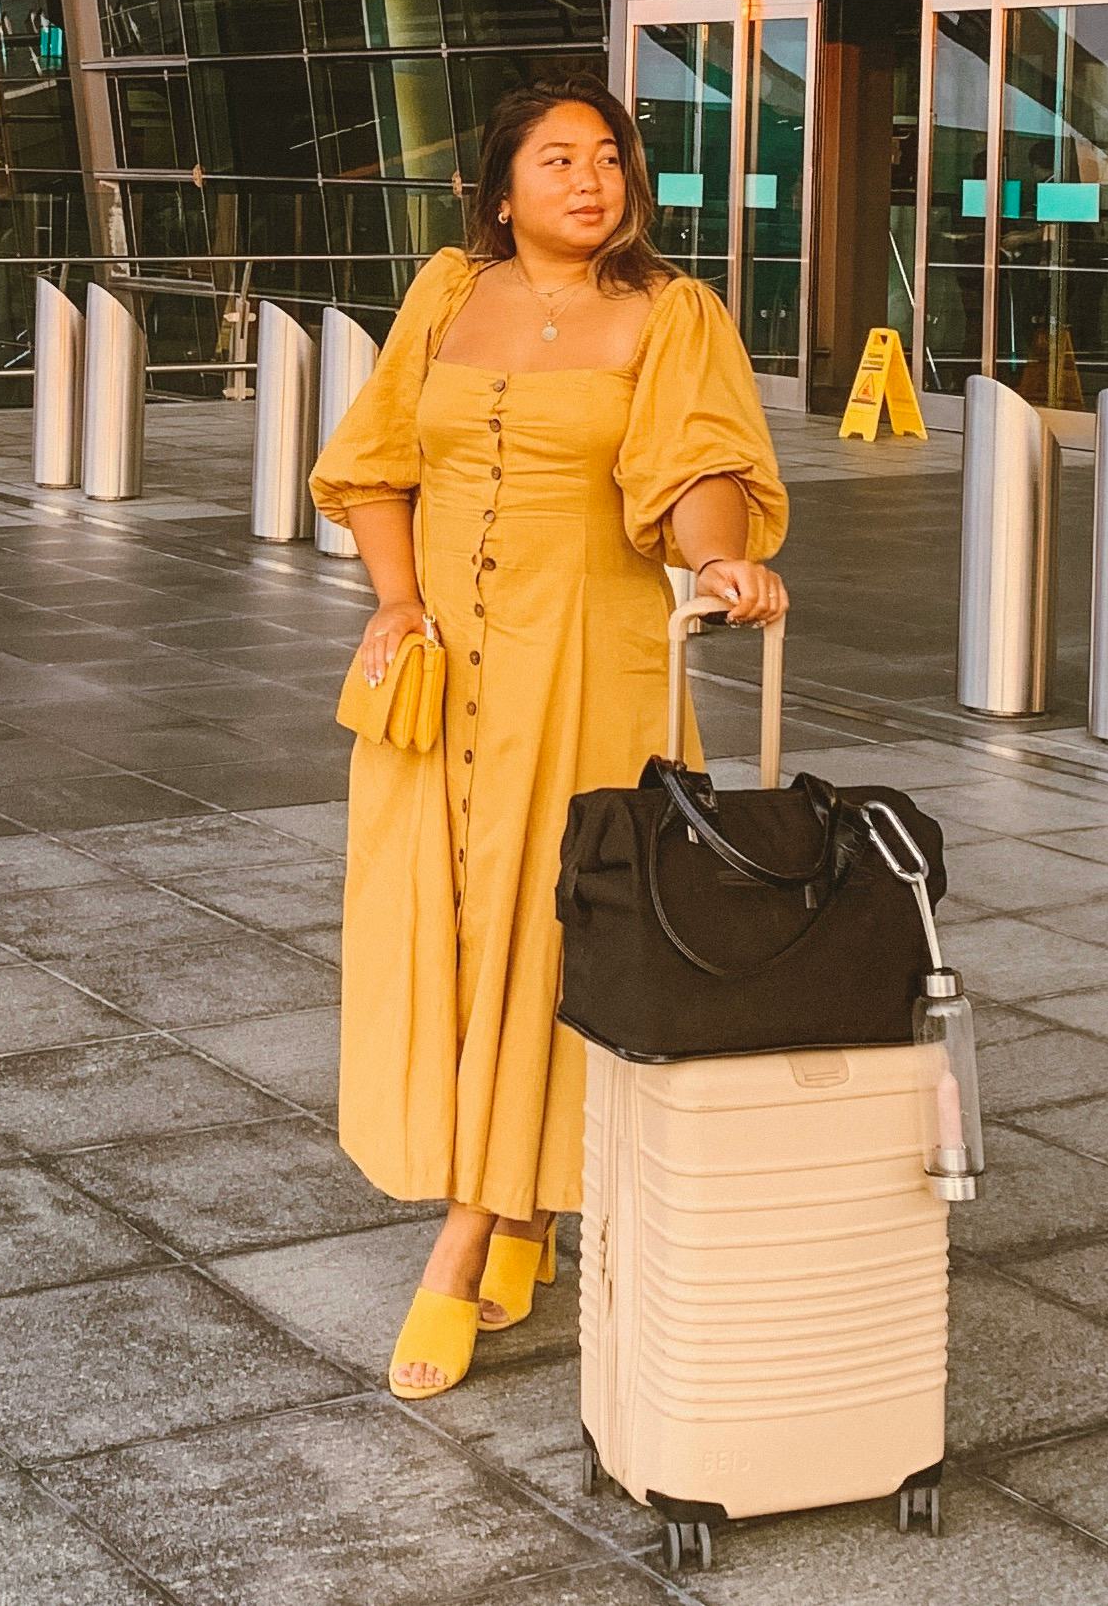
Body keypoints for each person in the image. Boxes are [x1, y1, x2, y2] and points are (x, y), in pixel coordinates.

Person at [308, 79, 790, 1401]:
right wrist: (398, 602)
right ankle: (521, 1207)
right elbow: (378, 465)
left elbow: (699, 474)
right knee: (447, 937)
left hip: (593, 669)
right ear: (502, 185)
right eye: (558, 158)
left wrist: (722, 564)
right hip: (443, 670)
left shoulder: (670, 313)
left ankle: (465, 1243)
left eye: (611, 157)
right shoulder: (447, 296)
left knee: (553, 934)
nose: (592, 178)